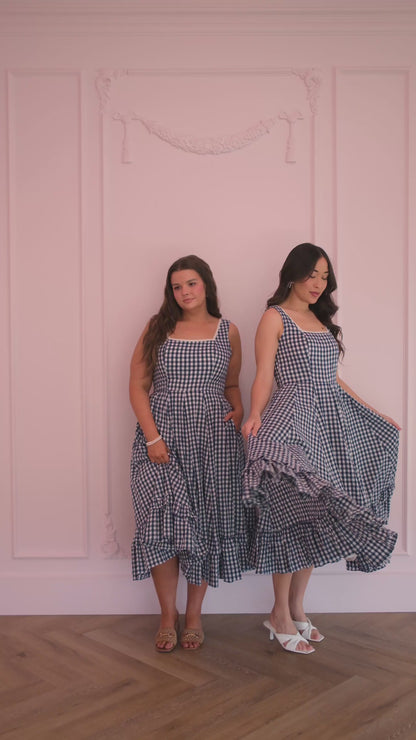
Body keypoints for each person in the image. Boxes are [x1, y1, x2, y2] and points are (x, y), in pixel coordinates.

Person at [242, 243, 400, 655]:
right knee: (289, 512)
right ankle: (278, 613)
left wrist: (375, 413)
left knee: (319, 510)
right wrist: (254, 414)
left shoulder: (321, 320)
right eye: (312, 274)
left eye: (325, 276)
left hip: (327, 424)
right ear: (293, 273)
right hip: (291, 419)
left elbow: (333, 380)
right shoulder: (274, 317)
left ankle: (297, 608)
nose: (318, 283)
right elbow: (263, 374)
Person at [129, 255, 252, 652]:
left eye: (191, 283)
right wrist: (152, 438)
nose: (185, 292)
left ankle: (194, 615)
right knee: (159, 524)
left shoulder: (228, 331)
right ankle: (168, 615)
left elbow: (231, 385)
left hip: (213, 440)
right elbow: (137, 385)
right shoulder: (158, 327)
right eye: (177, 286)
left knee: (204, 523)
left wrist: (238, 408)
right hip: (162, 438)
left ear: (206, 285)